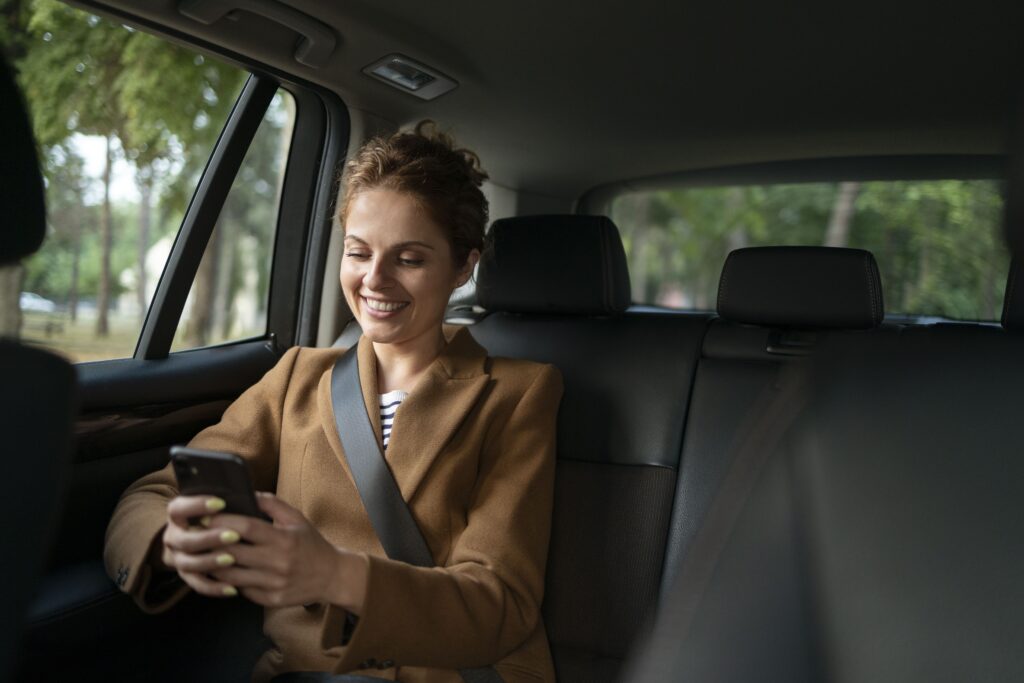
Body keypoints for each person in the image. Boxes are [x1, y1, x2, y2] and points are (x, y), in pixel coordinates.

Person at [104, 121, 563, 683]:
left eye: (410, 258)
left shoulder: (520, 393)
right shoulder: (299, 376)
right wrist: (170, 540)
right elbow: (151, 493)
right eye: (358, 251)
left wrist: (335, 576)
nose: (375, 279)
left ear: (464, 266)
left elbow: (501, 604)